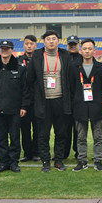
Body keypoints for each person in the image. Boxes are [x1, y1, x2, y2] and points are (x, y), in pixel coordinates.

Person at [25, 30, 73, 172]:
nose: (51, 41)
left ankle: (58, 160)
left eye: (54, 39)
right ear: (44, 42)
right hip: (43, 102)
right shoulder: (37, 55)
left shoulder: (65, 55)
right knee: (43, 134)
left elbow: (70, 78)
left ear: (58, 41)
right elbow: (30, 79)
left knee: (61, 133)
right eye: (48, 39)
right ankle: (45, 161)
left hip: (60, 100)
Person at [0, 40, 29, 173]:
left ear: (12, 50)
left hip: (15, 110)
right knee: (1, 138)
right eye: (2, 48)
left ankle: (14, 162)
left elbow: (25, 89)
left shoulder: (20, 67)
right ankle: (3, 162)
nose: (4, 51)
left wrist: (24, 106)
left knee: (15, 138)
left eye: (7, 48)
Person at [69, 39, 102, 171]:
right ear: (80, 51)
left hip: (96, 106)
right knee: (81, 137)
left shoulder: (100, 67)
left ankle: (98, 160)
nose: (87, 51)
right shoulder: (74, 67)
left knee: (98, 136)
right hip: (79, 106)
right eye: (84, 49)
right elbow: (71, 86)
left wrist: (97, 98)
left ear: (94, 51)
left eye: (90, 49)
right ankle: (82, 161)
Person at [19, 35, 39, 162]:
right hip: (23, 101)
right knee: (25, 129)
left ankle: (36, 152)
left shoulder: (40, 59)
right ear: (24, 45)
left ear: (36, 45)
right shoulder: (18, 61)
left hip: (38, 100)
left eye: (32, 43)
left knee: (38, 128)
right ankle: (27, 153)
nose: (29, 46)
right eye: (27, 43)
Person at [62, 35, 82, 160]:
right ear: (67, 45)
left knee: (79, 129)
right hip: (64, 99)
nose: (72, 46)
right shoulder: (62, 58)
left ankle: (78, 152)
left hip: (78, 99)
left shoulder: (83, 59)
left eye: (74, 44)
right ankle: (63, 152)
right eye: (70, 44)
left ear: (78, 45)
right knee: (64, 128)